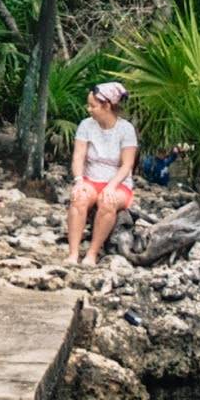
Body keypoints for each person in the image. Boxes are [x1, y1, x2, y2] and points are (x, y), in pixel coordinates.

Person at [65, 80, 142, 264]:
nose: (89, 109)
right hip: (91, 178)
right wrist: (78, 180)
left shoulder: (126, 129)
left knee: (107, 201)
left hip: (118, 182)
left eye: (93, 105)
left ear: (107, 105)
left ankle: (92, 252)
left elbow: (127, 164)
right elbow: (78, 157)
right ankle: (73, 253)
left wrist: (111, 186)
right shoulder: (86, 125)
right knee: (79, 198)